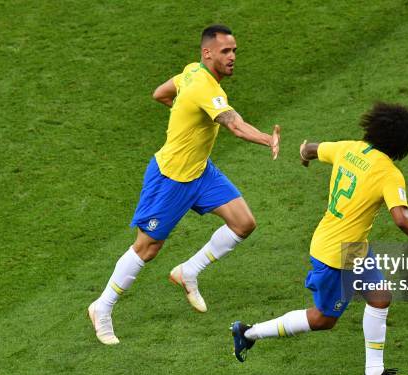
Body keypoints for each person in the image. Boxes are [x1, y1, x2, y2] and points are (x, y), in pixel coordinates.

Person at [231, 102, 408, 375]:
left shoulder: (349, 148)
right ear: (403, 144)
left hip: (349, 247)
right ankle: (249, 333)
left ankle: (374, 374)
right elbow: (402, 220)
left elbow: (311, 147)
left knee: (380, 297)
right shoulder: (389, 173)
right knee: (324, 319)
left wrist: (304, 155)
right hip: (336, 255)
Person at [88, 24, 281, 345]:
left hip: (201, 172)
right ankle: (102, 307)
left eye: (234, 51)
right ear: (208, 53)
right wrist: (267, 138)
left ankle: (188, 271)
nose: (233, 57)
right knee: (147, 248)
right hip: (170, 178)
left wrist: (184, 112)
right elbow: (234, 125)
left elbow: (161, 94)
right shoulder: (206, 88)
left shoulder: (191, 71)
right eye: (225, 52)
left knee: (243, 223)